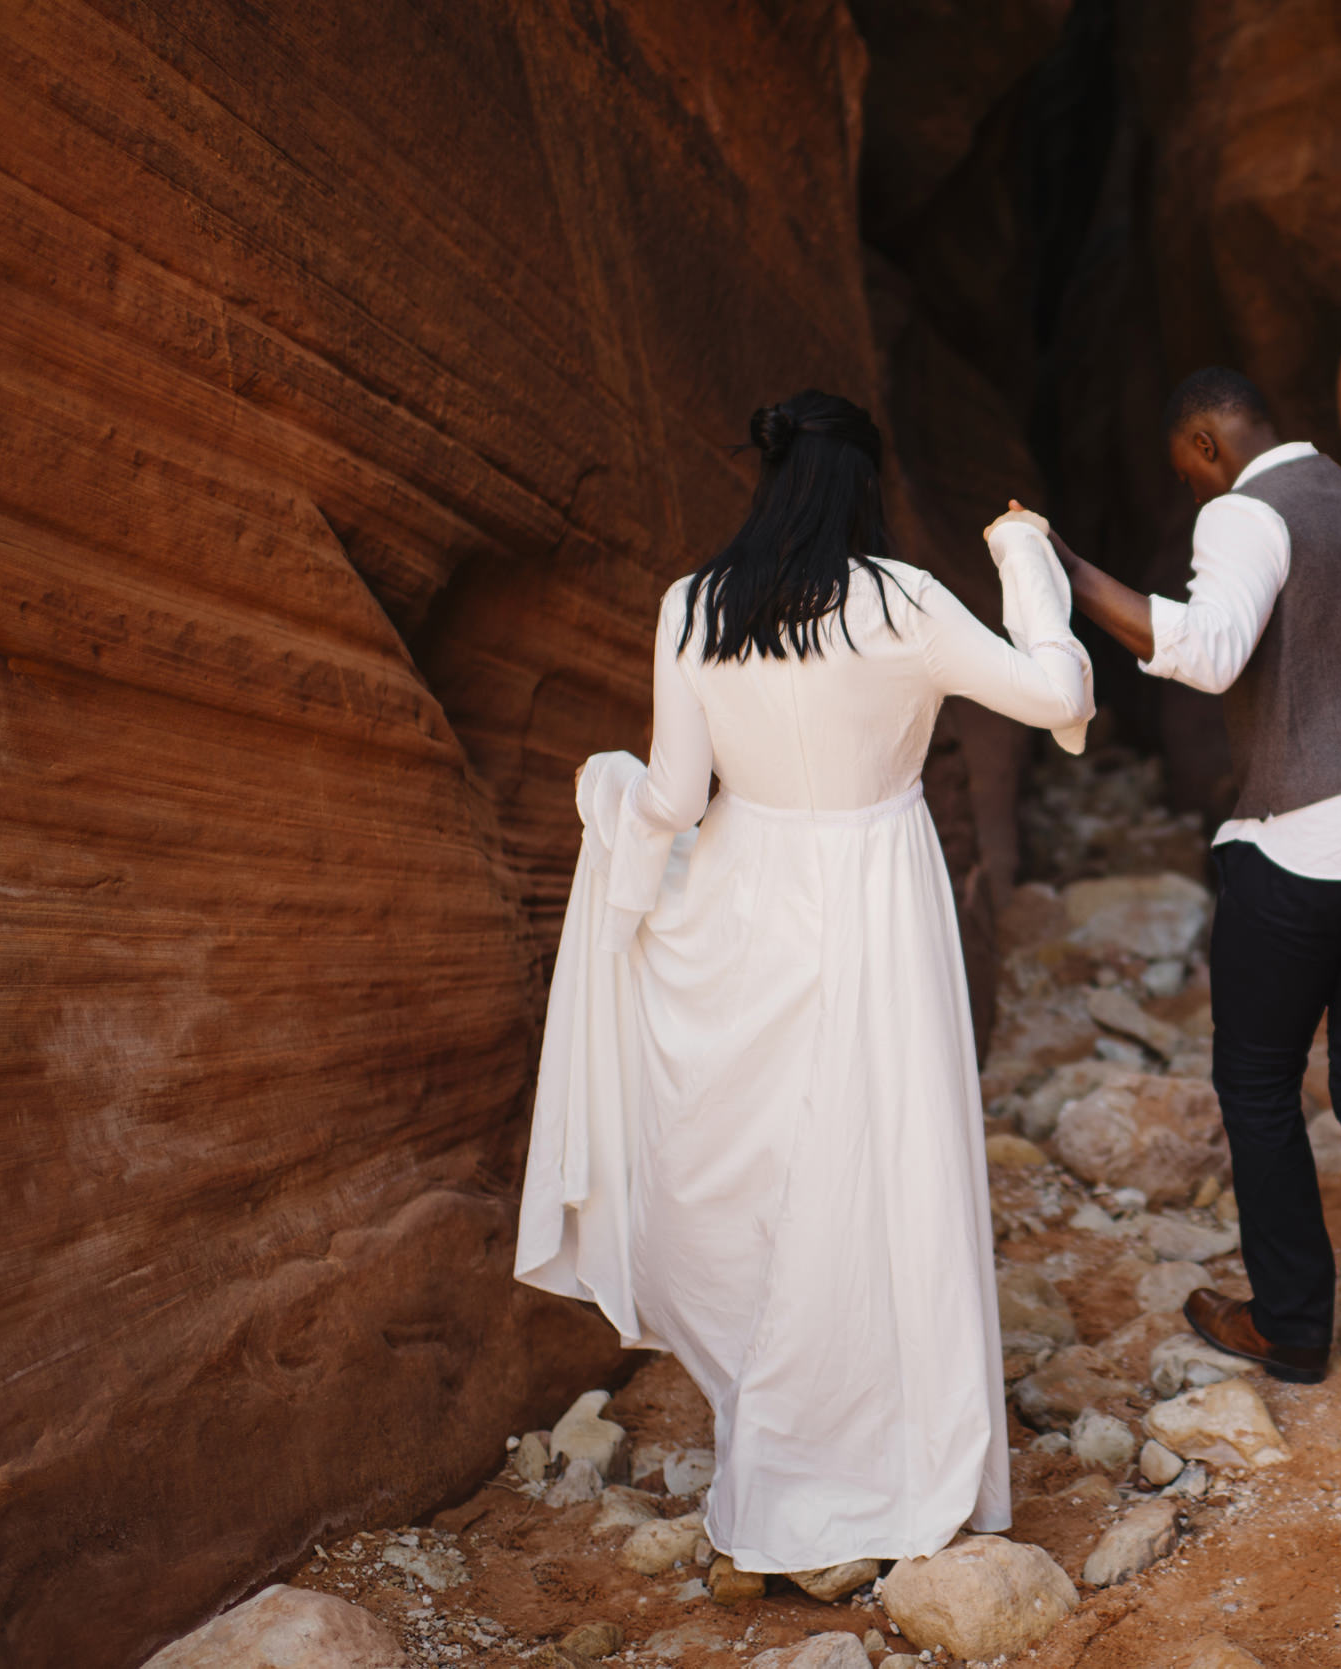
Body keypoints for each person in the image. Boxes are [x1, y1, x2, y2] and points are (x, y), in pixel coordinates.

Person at [512, 392, 1093, 1576]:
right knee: (886, 1162)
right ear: (862, 487)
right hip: (878, 889)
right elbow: (1060, 698)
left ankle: (783, 1436)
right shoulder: (906, 602)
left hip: (744, 900)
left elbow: (672, 798)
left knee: (767, 1168)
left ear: (769, 478)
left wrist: (608, 792)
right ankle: (892, 1445)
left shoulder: (693, 605)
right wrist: (1025, 554)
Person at [1034, 365, 1341, 1421]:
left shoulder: (1244, 512)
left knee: (1260, 1084)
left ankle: (1290, 1323)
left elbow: (1210, 652)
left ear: (1201, 447)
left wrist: (1068, 571)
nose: (1192, 497)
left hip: (1301, 849)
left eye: (1185, 476)